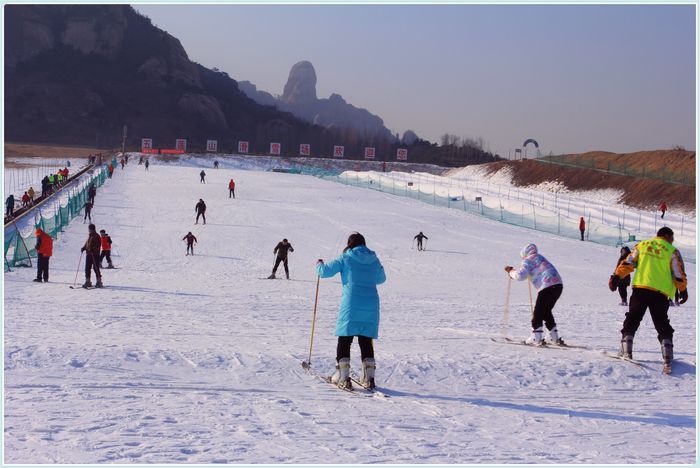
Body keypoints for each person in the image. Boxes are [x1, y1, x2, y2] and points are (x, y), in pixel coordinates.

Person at [316, 232, 386, 389]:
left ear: (350, 244)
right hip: (371, 304)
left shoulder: (346, 257)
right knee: (366, 339)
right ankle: (368, 378)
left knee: (345, 338)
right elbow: (381, 279)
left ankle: (343, 377)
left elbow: (324, 272)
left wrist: (319, 264)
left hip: (351, 303)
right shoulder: (374, 259)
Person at [609, 227, 687, 368]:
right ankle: (667, 353)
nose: (673, 240)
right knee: (661, 321)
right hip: (661, 293)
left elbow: (628, 263)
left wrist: (616, 276)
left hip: (640, 288)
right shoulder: (671, 251)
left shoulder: (643, 245)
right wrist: (683, 289)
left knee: (633, 317)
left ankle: (626, 347)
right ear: (667, 236)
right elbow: (678, 273)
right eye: (672, 237)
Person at [505, 243, 564, 346]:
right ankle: (553, 337)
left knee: (537, 314)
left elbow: (520, 276)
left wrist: (511, 272)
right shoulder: (540, 257)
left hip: (547, 286)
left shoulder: (528, 260)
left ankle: (536, 338)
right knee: (545, 312)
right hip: (558, 285)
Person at [81, 223, 103, 288]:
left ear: (92, 229)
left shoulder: (97, 236)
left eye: (89, 229)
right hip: (88, 254)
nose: (89, 230)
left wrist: (92, 250)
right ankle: (88, 281)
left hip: (95, 255)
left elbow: (98, 245)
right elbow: (87, 243)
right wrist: (84, 247)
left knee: (95, 268)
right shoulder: (90, 236)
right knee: (87, 268)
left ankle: (99, 281)